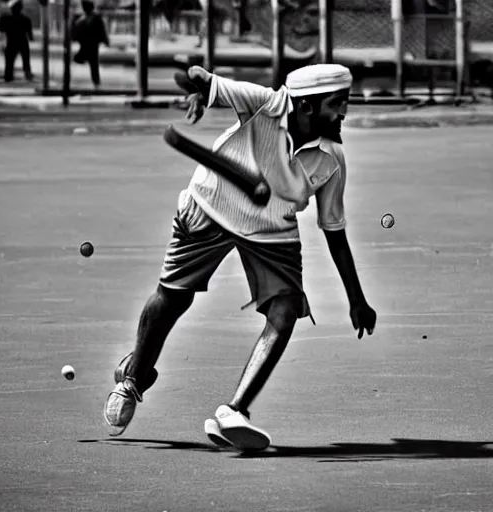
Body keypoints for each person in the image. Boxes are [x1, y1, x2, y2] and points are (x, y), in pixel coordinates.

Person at [103, 64, 377, 452]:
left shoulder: (332, 159)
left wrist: (357, 298)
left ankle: (234, 411)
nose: (344, 112)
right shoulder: (266, 105)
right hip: (212, 204)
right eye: (336, 104)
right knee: (173, 298)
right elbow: (211, 83)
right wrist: (197, 85)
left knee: (285, 311)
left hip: (271, 228)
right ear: (306, 106)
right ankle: (133, 378)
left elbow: (334, 229)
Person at [71, 0, 109, 89]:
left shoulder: (95, 18)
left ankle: (96, 81)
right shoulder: (81, 18)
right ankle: (95, 81)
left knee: (93, 63)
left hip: (92, 43)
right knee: (88, 60)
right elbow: (76, 30)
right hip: (86, 42)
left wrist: (105, 40)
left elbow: (101, 29)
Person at [0, 0, 33, 82]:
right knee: (26, 59)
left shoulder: (5, 18)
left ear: (11, 8)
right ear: (21, 8)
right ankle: (27, 74)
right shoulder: (26, 19)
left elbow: (1, 30)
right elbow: (30, 36)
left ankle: (8, 76)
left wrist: (3, 43)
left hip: (11, 41)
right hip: (22, 41)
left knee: (9, 61)